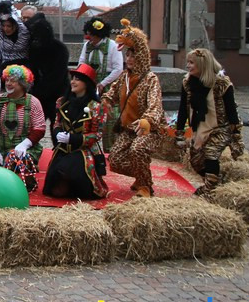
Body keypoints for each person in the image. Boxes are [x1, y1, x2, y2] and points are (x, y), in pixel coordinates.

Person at [105, 20, 164, 198]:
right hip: (128, 129)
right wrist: (105, 101)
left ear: (142, 57)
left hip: (148, 130)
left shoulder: (150, 79)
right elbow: (112, 93)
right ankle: (142, 175)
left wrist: (148, 120)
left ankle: (145, 186)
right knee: (114, 160)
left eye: (133, 55)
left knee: (137, 149)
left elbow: (155, 104)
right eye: (127, 55)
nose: (129, 59)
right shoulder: (124, 77)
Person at [175, 48, 244, 196]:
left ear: (202, 64)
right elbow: (182, 109)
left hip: (221, 127)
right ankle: (215, 182)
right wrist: (179, 132)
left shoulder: (222, 84)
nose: (188, 66)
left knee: (211, 153)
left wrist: (236, 135)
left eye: (191, 62)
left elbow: (232, 110)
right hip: (201, 127)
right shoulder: (187, 83)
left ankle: (210, 190)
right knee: (195, 160)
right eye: (187, 62)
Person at [43, 63, 109, 199]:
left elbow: (97, 134)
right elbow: (57, 123)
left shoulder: (97, 107)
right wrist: (57, 133)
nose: (73, 82)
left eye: (77, 79)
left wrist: (74, 138)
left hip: (83, 151)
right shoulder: (62, 102)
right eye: (72, 78)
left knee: (69, 172)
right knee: (54, 189)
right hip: (63, 149)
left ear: (87, 83)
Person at [0, 64, 45, 192]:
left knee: (14, 159)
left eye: (13, 80)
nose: (9, 83)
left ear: (23, 84)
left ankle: (25, 182)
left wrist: (24, 145)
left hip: (25, 149)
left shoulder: (33, 102)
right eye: (7, 80)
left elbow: (39, 129)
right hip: (2, 147)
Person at [77, 17, 124, 149]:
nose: (89, 37)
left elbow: (118, 69)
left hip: (109, 86)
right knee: (88, 117)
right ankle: (88, 147)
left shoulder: (113, 46)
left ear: (99, 34)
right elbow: (81, 63)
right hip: (90, 85)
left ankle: (110, 149)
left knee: (109, 119)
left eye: (91, 35)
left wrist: (103, 83)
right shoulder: (87, 46)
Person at [26, 13, 70, 143]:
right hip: (39, 95)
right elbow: (32, 72)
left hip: (58, 93)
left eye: (38, 38)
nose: (35, 40)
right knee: (34, 128)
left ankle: (59, 154)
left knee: (58, 127)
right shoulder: (33, 50)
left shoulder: (60, 49)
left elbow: (57, 76)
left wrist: (38, 92)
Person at [0, 1, 30, 71]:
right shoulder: (0, 32)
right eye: (3, 26)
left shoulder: (24, 33)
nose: (5, 29)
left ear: (15, 25)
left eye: (9, 26)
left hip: (23, 67)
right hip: (5, 67)